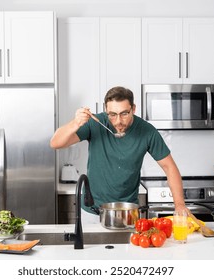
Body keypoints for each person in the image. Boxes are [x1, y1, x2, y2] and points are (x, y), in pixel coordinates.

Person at [50, 86, 187, 223]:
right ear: (106, 110)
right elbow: (55, 143)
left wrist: (180, 205)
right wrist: (75, 123)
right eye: (112, 114)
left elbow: (169, 167)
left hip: (127, 213)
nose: (118, 121)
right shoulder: (95, 123)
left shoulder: (147, 131)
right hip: (92, 212)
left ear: (133, 109)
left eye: (124, 114)